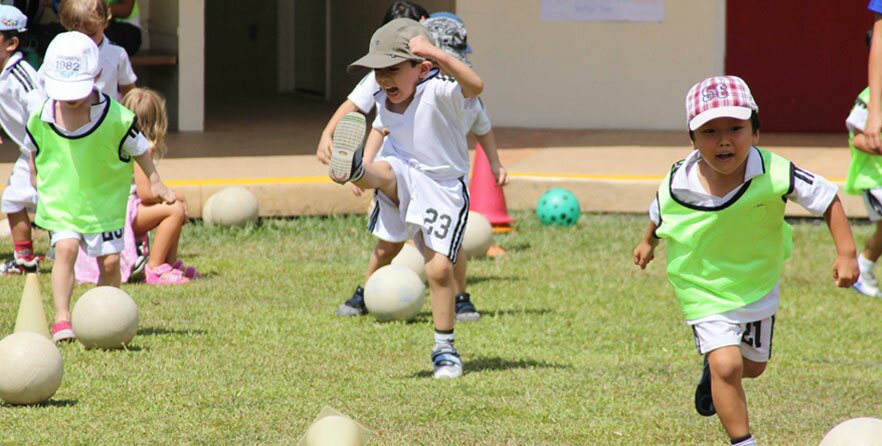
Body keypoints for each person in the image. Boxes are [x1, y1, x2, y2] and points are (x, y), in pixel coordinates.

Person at [632, 76, 859, 446]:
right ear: (692, 140)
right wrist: (647, 243)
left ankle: (714, 374)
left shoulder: (776, 171)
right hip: (701, 285)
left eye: (735, 128)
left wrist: (847, 252)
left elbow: (826, 198)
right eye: (710, 131)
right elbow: (661, 214)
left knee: (752, 367)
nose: (724, 139)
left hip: (757, 281)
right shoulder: (678, 181)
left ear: (755, 132)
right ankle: (743, 440)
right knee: (728, 364)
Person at [318, 18, 484, 379]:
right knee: (387, 172)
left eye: (392, 69)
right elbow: (362, 115)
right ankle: (357, 167)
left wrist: (437, 54)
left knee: (438, 269)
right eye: (378, 71)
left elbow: (475, 84)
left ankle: (445, 349)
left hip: (444, 187)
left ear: (421, 67)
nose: (383, 78)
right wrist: (328, 136)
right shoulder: (381, 90)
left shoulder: (439, 88)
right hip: (405, 170)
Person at [24, 31, 175, 342]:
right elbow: (34, 148)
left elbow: (140, 149)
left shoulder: (117, 118)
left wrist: (156, 180)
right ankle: (62, 318)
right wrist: (34, 176)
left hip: (103, 203)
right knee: (64, 249)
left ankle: (104, 317)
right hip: (62, 200)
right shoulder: (42, 115)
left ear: (97, 75)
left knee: (109, 262)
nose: (69, 99)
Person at [74, 87, 194, 285]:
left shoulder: (119, 139)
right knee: (175, 210)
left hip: (119, 208)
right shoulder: (140, 147)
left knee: (175, 209)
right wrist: (177, 196)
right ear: (159, 123)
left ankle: (170, 264)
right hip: (124, 213)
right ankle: (155, 268)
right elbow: (146, 194)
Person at [0, 4, 46, 275]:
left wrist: (34, 156)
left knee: (55, 205)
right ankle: (25, 259)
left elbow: (40, 113)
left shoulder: (21, 75)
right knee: (13, 200)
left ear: (12, 43)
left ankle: (74, 253)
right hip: (28, 151)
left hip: (44, 151)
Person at [846, 31, 882, 298]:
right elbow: (856, 138)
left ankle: (865, 268)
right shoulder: (869, 97)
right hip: (874, 179)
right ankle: (863, 268)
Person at [50, 0, 136, 101]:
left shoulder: (117, 54)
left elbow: (129, 93)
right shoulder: (60, 50)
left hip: (106, 114)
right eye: (78, 35)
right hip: (68, 114)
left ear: (105, 23)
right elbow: (43, 85)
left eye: (91, 34)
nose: (86, 41)